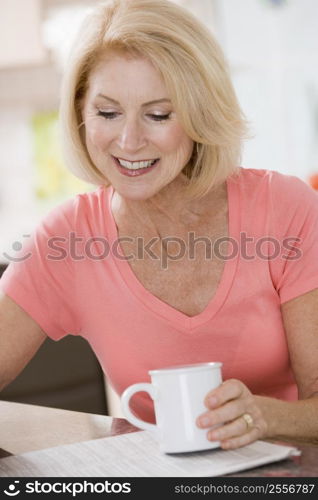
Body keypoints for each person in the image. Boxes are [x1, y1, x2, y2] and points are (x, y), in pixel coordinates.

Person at [1, 0, 318, 451]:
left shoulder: (285, 210)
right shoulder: (67, 240)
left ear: (198, 115)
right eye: (108, 113)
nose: (129, 142)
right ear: (80, 114)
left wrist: (268, 417)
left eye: (158, 114)